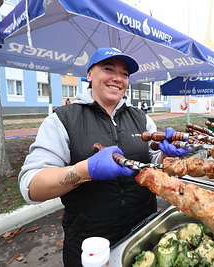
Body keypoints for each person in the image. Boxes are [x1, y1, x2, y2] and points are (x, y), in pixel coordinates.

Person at [18, 47, 191, 266]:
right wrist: (84, 170)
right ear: (89, 74)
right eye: (108, 69)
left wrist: (165, 159)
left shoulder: (142, 119)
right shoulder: (61, 120)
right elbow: (32, 186)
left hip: (144, 234)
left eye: (125, 74)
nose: (118, 79)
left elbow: (153, 161)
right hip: (90, 244)